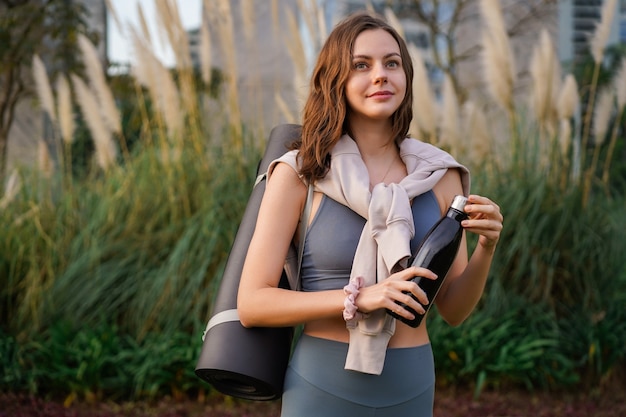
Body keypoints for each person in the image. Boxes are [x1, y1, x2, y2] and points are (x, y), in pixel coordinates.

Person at [237, 11, 503, 417]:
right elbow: (254, 303)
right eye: (361, 65)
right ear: (336, 81)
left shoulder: (439, 175)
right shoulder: (301, 174)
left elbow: (452, 309)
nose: (381, 75)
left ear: (406, 77)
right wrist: (360, 298)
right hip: (321, 385)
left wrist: (486, 246)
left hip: (411, 385)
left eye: (391, 63)